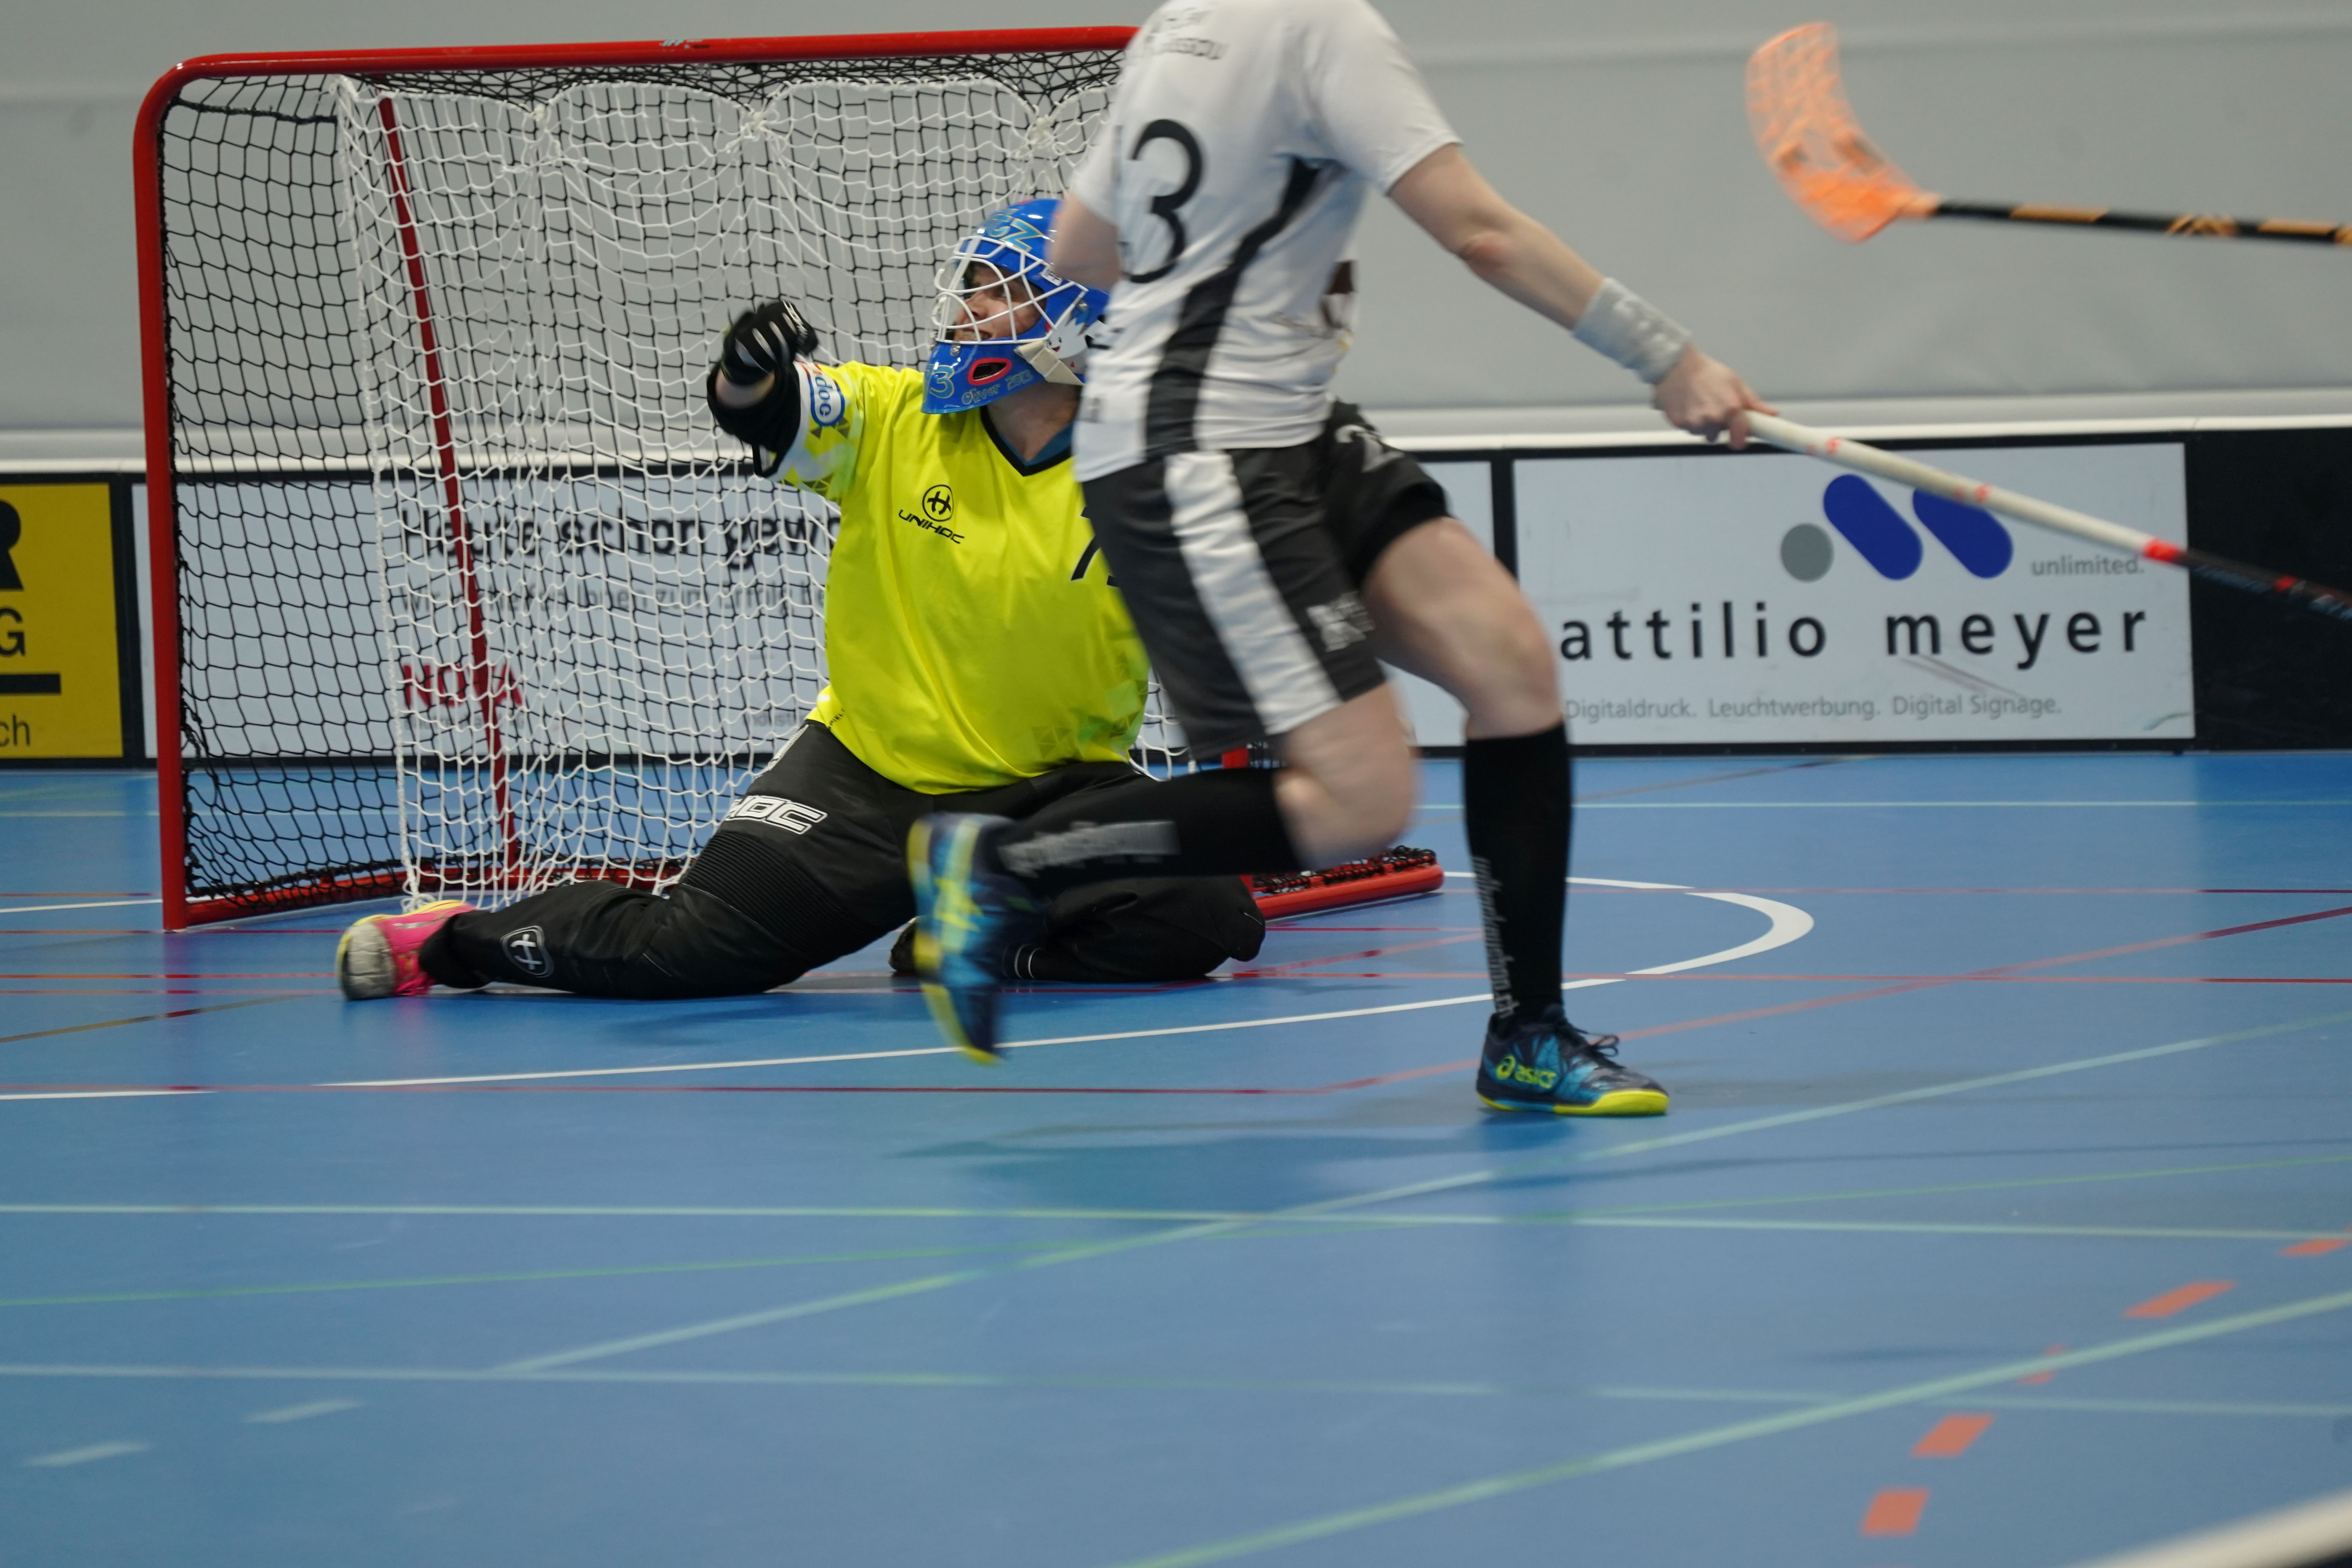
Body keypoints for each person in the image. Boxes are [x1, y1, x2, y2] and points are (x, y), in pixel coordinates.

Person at [906, 0, 1774, 1115]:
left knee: (1508, 665)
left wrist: (1249, 281)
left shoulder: (1179, 31)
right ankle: (1005, 864)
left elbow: (1082, 248)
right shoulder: (1323, 27)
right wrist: (1670, 359)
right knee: (1361, 801)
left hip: (1288, 425)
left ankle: (1528, 1036)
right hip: (1204, 444)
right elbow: (1480, 232)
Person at [335, 201, 1264, 1003]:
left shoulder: (1151, 476)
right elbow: (761, 407)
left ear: (1081, 319)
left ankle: (963, 943)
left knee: (1206, 912)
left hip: (1058, 789)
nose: (967, 307)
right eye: (971, 284)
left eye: (998, 289)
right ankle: (452, 942)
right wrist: (747, 369)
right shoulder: (895, 416)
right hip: (866, 779)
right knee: (690, 949)